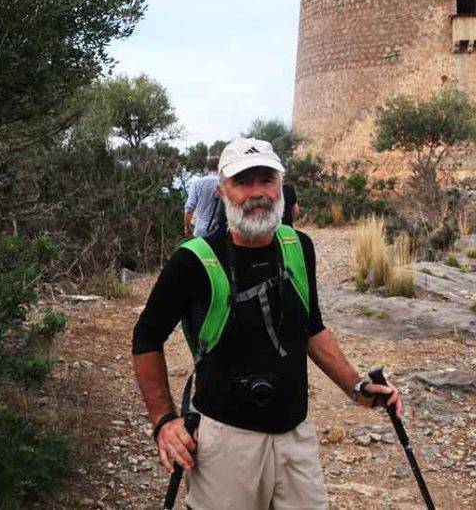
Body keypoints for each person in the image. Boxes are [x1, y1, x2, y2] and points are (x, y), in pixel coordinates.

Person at [132, 138, 401, 509]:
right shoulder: (193, 261)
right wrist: (164, 421)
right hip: (224, 443)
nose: (257, 193)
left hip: (295, 438)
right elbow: (146, 337)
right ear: (222, 189)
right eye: (243, 182)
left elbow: (311, 328)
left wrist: (357, 388)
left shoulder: (299, 248)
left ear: (281, 185)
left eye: (266, 180)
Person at [184, 156, 221, 239]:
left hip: (201, 232)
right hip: (220, 233)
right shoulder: (224, 183)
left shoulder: (197, 183)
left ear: (207, 168)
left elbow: (189, 208)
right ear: (220, 167)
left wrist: (188, 229)